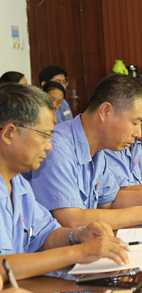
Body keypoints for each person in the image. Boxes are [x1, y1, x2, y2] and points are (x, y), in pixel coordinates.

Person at [30, 74, 142, 229]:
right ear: (106, 111)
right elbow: (71, 219)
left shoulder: (98, 150)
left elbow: (110, 201)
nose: (138, 133)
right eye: (135, 123)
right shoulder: (58, 148)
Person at [0, 84, 129, 281]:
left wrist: (78, 236)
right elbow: (3, 267)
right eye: (44, 136)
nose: (49, 146)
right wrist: (78, 253)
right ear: (9, 134)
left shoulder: (18, 183)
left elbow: (44, 234)